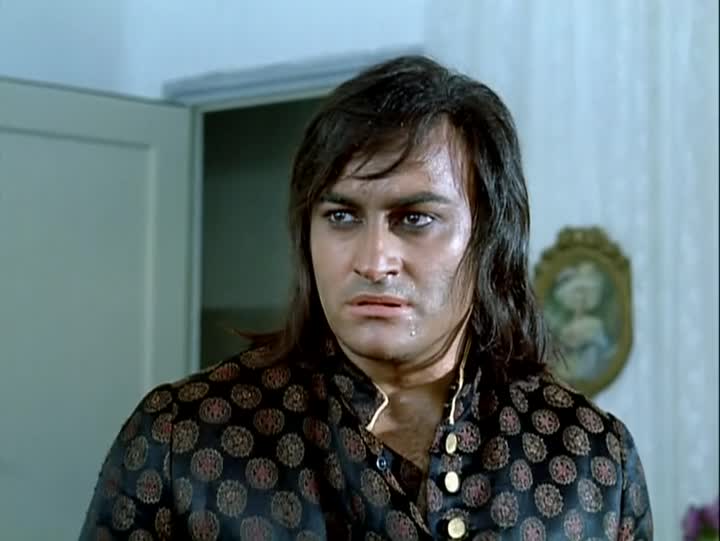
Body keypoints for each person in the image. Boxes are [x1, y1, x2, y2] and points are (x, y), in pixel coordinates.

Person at [80, 55, 652, 540]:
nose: (374, 261)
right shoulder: (182, 437)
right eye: (342, 216)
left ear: (489, 238)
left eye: (415, 218)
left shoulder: (590, 459)